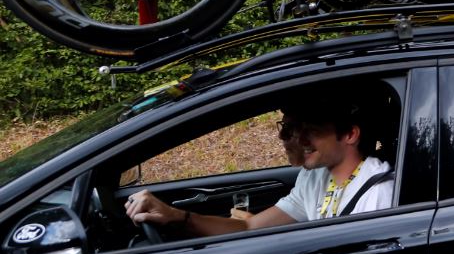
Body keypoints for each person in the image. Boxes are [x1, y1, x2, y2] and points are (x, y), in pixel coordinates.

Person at [125, 93, 395, 236]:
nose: (296, 139)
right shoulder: (314, 179)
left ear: (349, 134)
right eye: (293, 128)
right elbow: (249, 227)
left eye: (311, 130)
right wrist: (177, 217)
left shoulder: (377, 190)